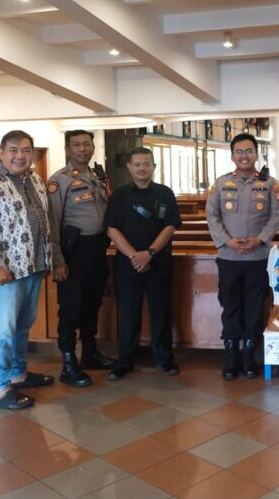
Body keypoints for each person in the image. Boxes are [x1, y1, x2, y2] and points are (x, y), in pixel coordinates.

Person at [0, 130, 54, 410]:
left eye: (26, 150)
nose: (20, 156)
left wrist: (45, 260)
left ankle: (18, 374)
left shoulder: (35, 180)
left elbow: (41, 222)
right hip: (2, 275)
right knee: (1, 332)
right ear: (1, 152)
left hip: (31, 269)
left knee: (22, 326)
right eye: (14, 150)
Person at [206, 133, 279, 380]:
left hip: (258, 257)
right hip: (229, 257)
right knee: (230, 305)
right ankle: (231, 356)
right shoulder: (221, 183)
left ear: (256, 154)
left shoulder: (269, 184)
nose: (244, 156)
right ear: (232, 156)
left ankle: (249, 354)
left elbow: (276, 216)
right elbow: (212, 215)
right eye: (239, 151)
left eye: (249, 151)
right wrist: (226, 241)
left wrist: (260, 239)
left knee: (254, 306)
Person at [104, 147, 182, 380]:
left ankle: (164, 359)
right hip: (128, 264)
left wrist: (149, 253)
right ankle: (125, 361)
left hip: (159, 262)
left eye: (146, 164)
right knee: (128, 314)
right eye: (137, 164)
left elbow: (170, 226)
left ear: (154, 166)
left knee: (161, 312)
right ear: (129, 167)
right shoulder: (118, 196)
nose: (142, 168)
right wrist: (134, 256)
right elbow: (112, 229)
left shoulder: (165, 193)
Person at [47, 130, 115, 388]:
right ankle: (68, 362)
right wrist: (57, 260)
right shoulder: (59, 181)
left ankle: (89, 353)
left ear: (93, 147)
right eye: (76, 145)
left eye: (87, 144)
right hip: (73, 253)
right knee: (71, 308)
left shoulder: (98, 176)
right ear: (68, 149)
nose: (82, 149)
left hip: (97, 250)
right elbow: (52, 223)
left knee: (92, 303)